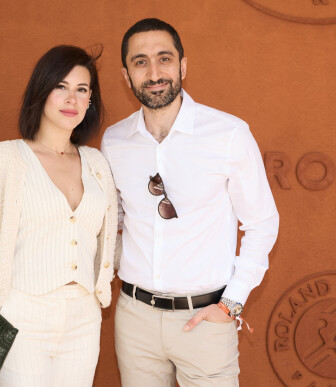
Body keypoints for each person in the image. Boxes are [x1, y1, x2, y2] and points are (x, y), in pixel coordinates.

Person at [101, 18, 279, 386]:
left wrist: (230, 305)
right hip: (135, 320)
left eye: (164, 59)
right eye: (140, 62)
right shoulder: (114, 141)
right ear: (126, 74)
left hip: (205, 321)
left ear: (183, 65)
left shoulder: (229, 134)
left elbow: (262, 223)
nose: (154, 72)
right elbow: (114, 223)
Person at [0, 45, 118, 387]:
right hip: (20, 317)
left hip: (84, 320)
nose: (72, 99)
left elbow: (110, 243)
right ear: (41, 91)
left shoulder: (97, 164)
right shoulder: (5, 159)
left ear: (91, 101)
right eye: (61, 87)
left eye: (82, 90)